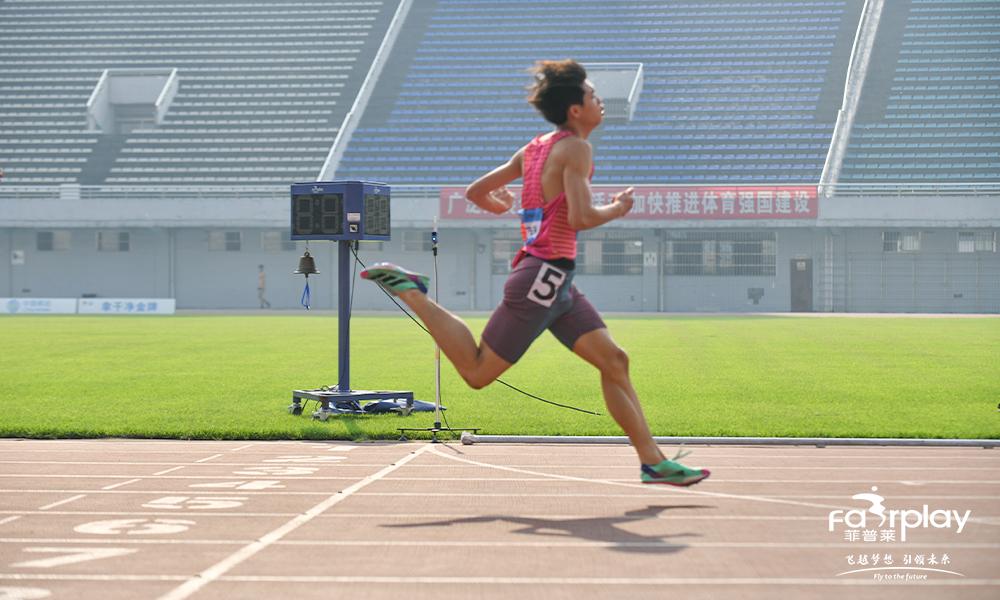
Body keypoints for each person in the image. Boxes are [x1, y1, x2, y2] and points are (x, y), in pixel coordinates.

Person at [362, 59, 709, 486]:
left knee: (615, 361)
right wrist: (619, 208)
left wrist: (498, 205)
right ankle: (413, 291)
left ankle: (652, 462)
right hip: (543, 278)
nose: (600, 101)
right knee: (477, 372)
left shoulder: (534, 148)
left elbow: (476, 191)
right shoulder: (576, 148)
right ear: (576, 110)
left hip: (556, 281)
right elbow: (580, 217)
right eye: (593, 95)